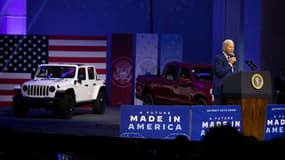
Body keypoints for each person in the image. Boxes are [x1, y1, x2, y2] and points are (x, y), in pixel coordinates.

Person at [213, 39, 238, 105]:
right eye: (230, 47)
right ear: (224, 48)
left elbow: (233, 74)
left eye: (233, 47)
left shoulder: (232, 59)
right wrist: (229, 64)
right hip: (220, 91)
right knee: (219, 113)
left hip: (229, 91)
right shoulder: (218, 58)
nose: (232, 49)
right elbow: (219, 73)